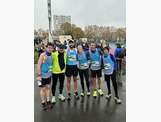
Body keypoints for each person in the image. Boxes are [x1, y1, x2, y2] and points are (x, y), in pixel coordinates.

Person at [37, 42, 53, 110]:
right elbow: (38, 65)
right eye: (49, 48)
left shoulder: (52, 55)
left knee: (48, 88)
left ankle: (48, 101)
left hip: (49, 75)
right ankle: (43, 102)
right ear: (46, 48)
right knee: (43, 89)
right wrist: (39, 75)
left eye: (51, 48)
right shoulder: (42, 55)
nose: (50, 49)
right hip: (42, 75)